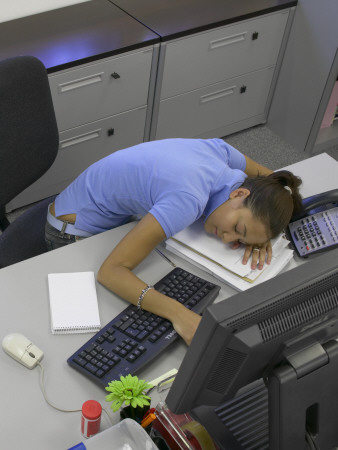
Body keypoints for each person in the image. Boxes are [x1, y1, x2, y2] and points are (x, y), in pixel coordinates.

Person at [45, 138, 303, 345]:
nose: (228, 239)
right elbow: (110, 272)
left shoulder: (219, 152)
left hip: (106, 212)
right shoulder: (187, 198)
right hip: (70, 232)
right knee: (114, 321)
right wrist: (180, 314)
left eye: (241, 239)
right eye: (237, 228)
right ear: (239, 193)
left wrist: (264, 231)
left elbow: (274, 181)